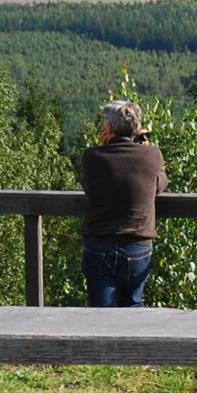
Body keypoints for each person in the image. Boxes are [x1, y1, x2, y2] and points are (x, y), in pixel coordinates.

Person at [77, 98, 166, 307]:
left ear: (108, 127)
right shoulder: (153, 155)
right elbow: (160, 185)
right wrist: (145, 148)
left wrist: (104, 144)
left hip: (99, 245)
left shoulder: (92, 157)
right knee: (133, 308)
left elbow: (87, 184)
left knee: (101, 315)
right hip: (137, 246)